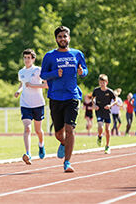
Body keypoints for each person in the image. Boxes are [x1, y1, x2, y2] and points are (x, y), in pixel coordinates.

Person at [40, 26, 88, 173]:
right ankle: (63, 143)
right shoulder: (49, 56)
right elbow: (43, 75)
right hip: (55, 97)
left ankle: (67, 162)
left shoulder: (77, 54)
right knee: (59, 133)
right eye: (60, 37)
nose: (62, 39)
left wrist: (82, 72)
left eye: (65, 36)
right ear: (56, 39)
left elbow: (85, 70)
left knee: (70, 129)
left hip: (72, 96)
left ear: (69, 38)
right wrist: (55, 73)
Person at [14, 49, 48, 164]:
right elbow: (22, 84)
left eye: (29, 58)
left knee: (38, 130)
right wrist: (18, 91)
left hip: (38, 104)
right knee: (27, 128)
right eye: (25, 58)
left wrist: (33, 85)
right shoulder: (21, 72)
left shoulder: (38, 70)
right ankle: (28, 154)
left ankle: (41, 145)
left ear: (33, 59)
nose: (26, 60)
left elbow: (46, 85)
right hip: (25, 104)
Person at [92, 74, 116, 154]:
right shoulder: (96, 90)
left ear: (107, 82)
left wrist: (110, 105)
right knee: (100, 127)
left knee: (107, 129)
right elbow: (92, 99)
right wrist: (94, 105)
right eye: (100, 82)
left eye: (103, 82)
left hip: (107, 111)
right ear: (99, 83)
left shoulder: (110, 91)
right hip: (99, 110)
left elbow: (115, 100)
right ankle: (99, 136)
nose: (102, 84)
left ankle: (107, 146)